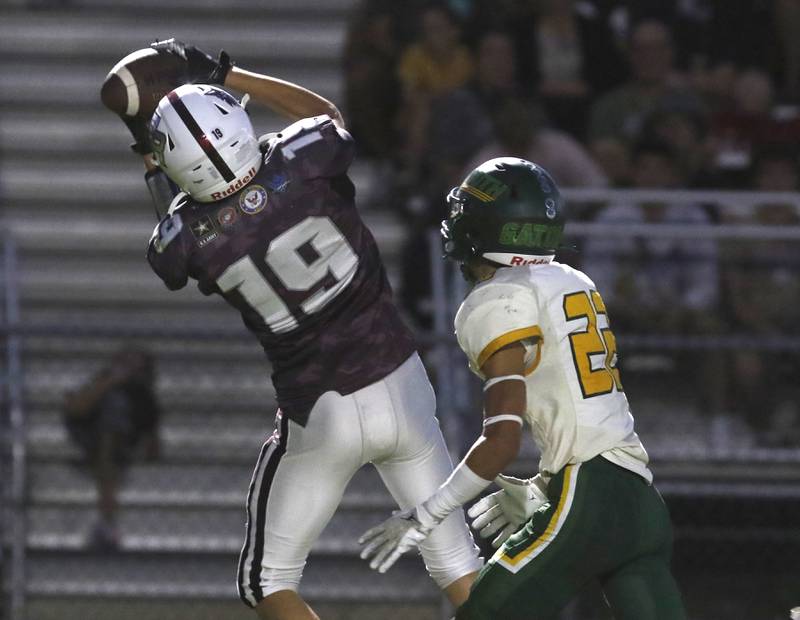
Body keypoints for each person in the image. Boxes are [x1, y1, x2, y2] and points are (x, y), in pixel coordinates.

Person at [125, 39, 481, 620]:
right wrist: (229, 72)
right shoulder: (306, 160)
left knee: (268, 583)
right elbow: (326, 118)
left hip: (322, 410)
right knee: (458, 565)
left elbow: (172, 238)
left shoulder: (184, 242)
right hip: (404, 383)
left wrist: (147, 148)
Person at [359, 157, 686, 619]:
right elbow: (581, 409)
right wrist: (546, 484)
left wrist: (427, 513)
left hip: (589, 495)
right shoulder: (573, 280)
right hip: (638, 499)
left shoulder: (498, 298)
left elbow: (502, 440)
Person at [63, 347, 160, 550]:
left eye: (136, 367)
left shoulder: (144, 398)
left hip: (119, 448)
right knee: (113, 409)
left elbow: (153, 447)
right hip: (89, 437)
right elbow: (75, 409)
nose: (129, 372)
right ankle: (106, 521)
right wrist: (110, 382)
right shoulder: (103, 382)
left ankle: (106, 522)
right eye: (126, 364)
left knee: (112, 438)